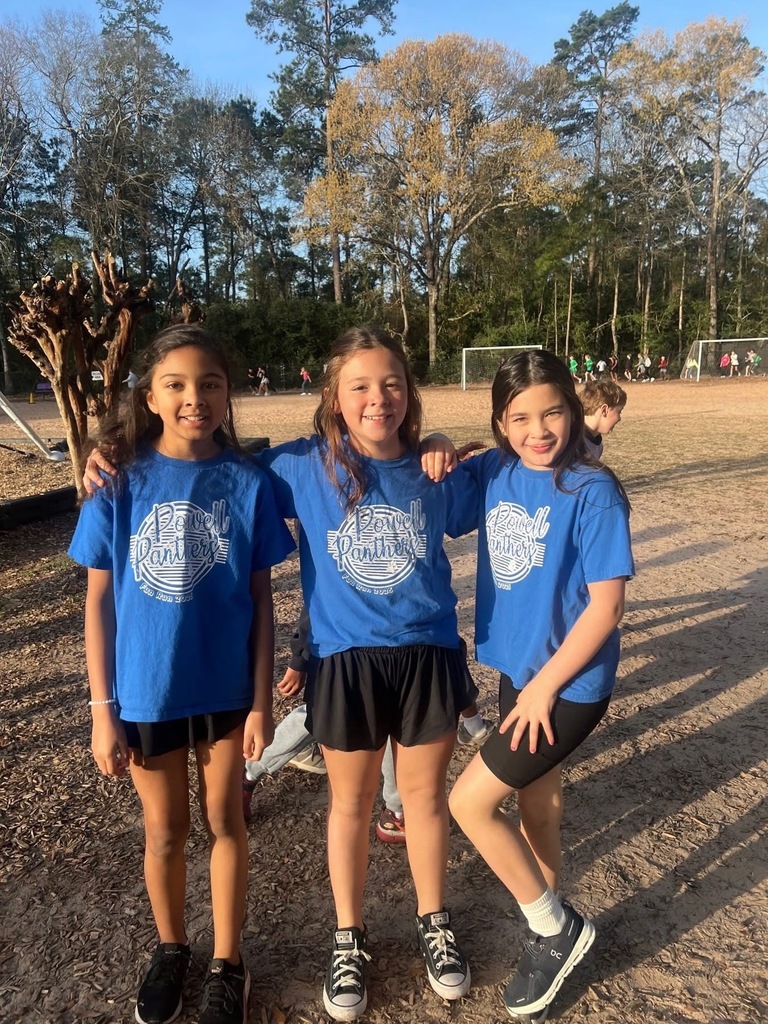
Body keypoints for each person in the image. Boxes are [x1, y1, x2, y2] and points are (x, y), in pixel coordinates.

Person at [70, 324, 295, 1024]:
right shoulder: (118, 481)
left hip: (227, 690)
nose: (194, 397)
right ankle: (173, 949)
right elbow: (99, 602)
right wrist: (103, 709)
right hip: (146, 691)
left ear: (229, 392)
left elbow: (261, 601)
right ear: (151, 394)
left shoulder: (250, 483)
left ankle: (228, 962)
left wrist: (261, 703)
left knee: (226, 822)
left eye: (210, 383)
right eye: (176, 384)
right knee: (165, 831)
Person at [257, 327, 475, 1020]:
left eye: (392, 384)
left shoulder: (435, 470)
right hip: (346, 661)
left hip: (427, 655)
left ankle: (433, 922)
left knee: (423, 802)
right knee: (350, 806)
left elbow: (515, 465)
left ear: (409, 393)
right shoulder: (299, 467)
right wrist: (119, 453)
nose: (378, 398)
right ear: (334, 397)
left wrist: (442, 437)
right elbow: (209, 470)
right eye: (360, 386)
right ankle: (348, 938)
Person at [443, 349, 634, 1022]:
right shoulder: (495, 468)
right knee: (537, 807)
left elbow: (606, 608)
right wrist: (439, 447)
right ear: (500, 423)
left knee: (469, 805)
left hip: (567, 687)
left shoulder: (592, 490)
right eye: (519, 417)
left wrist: (545, 689)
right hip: (519, 675)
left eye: (553, 411)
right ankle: (546, 916)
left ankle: (557, 930)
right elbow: (441, 502)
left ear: (575, 410)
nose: (538, 429)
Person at [579, 379, 627, 461]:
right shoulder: (572, 443)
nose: (619, 418)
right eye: (619, 411)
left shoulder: (597, 445)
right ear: (604, 410)